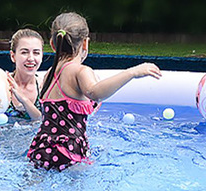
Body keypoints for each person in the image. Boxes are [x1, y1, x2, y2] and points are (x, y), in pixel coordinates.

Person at [27, 12, 162, 170]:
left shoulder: (49, 74)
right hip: (69, 152)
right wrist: (132, 72)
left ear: (52, 44)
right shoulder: (80, 71)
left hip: (41, 148)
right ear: (85, 43)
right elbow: (95, 93)